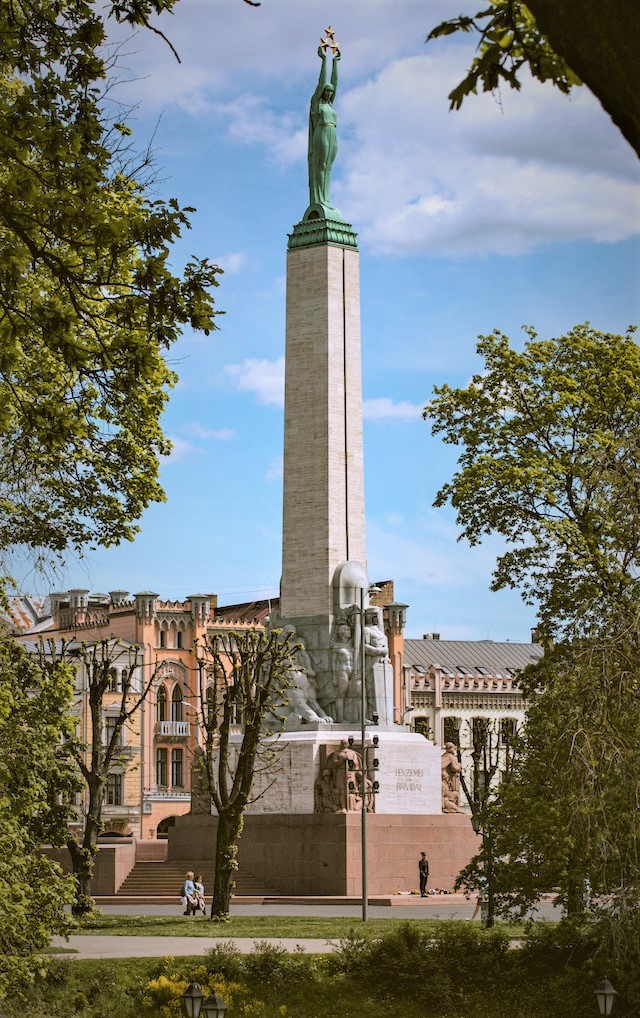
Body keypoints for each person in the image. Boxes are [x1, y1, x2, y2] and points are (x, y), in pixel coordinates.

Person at [308, 43, 340, 209]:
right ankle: (318, 199)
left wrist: (336, 63)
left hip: (332, 133)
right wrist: (324, 61)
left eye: (330, 91)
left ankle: (326, 199)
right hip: (321, 133)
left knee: (328, 168)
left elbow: (335, 82)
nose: (329, 92)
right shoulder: (316, 104)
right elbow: (322, 82)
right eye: (327, 91)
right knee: (320, 166)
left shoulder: (330, 105)